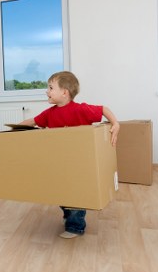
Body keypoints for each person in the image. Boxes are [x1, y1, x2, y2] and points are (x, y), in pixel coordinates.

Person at [19, 71, 120, 238]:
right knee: (62, 192)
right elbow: (31, 122)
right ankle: (69, 214)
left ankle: (75, 226)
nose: (47, 91)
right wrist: (12, 131)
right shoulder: (49, 113)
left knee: (76, 196)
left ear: (64, 92)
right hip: (59, 163)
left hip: (79, 163)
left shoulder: (80, 110)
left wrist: (115, 123)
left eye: (51, 88)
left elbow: (103, 109)